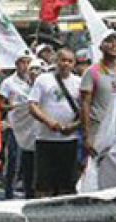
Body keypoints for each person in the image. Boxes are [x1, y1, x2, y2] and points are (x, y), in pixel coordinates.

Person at [80, 31, 116, 190]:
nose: (113, 45)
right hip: (99, 133)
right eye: (109, 41)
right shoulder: (92, 72)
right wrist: (87, 136)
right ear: (101, 45)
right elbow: (85, 104)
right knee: (98, 177)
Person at [28, 47, 81, 197]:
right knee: (43, 184)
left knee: (67, 184)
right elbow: (32, 105)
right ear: (56, 61)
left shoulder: (79, 82)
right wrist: (48, 122)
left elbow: (86, 110)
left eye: (70, 61)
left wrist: (74, 126)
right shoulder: (43, 80)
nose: (66, 64)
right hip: (45, 139)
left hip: (69, 140)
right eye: (63, 60)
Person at [0, 53, 41, 199]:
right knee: (13, 161)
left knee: (30, 162)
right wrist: (9, 107)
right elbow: (0, 103)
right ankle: (8, 193)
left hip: (34, 128)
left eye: (28, 62)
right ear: (16, 64)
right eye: (22, 62)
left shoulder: (37, 82)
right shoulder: (8, 83)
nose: (26, 65)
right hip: (15, 127)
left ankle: (30, 192)